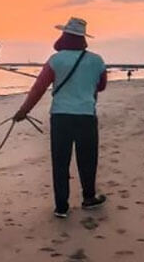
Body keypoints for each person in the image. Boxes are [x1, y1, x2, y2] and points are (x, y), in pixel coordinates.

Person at [13, 17, 108, 218]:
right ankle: (89, 197)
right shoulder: (97, 60)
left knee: (60, 161)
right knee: (88, 160)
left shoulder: (55, 60)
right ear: (83, 38)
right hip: (86, 116)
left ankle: (61, 206)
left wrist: (24, 111)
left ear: (64, 36)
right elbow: (101, 86)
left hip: (61, 117)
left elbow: (38, 88)